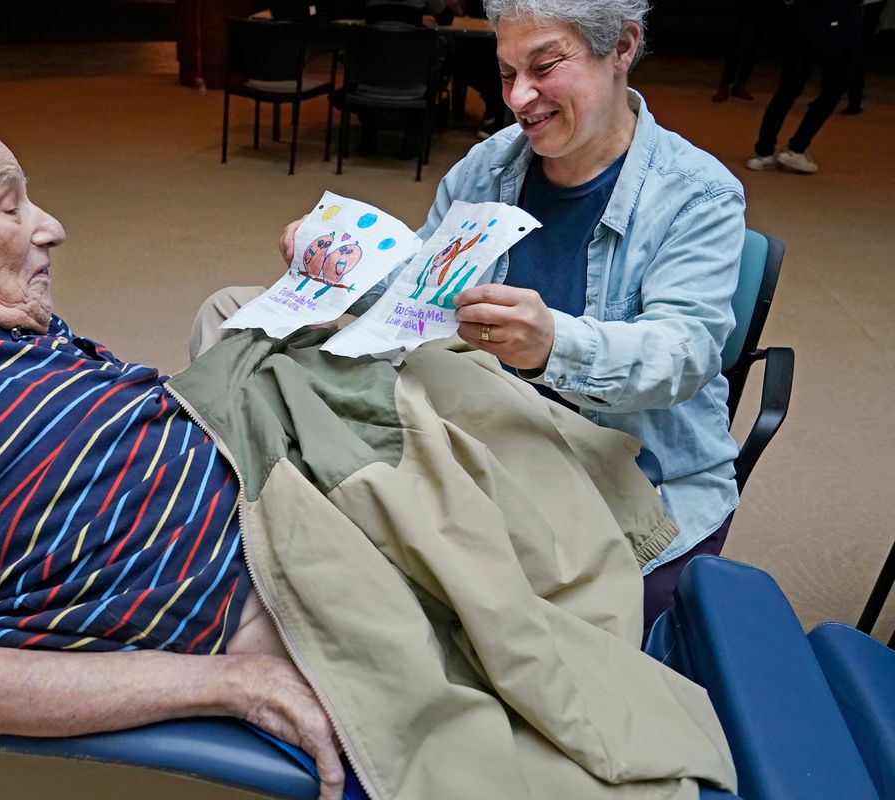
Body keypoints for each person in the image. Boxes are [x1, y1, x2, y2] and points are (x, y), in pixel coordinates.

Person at [0, 107, 737, 800]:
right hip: (269, 575)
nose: (49, 225)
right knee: (577, 733)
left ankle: (570, 541)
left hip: (260, 467)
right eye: (11, 206)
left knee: (371, 333)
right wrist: (229, 681)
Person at [262, 0, 745, 626]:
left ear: (622, 47)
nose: (519, 98)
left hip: (634, 478)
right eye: (505, 72)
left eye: (545, 66)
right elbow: (419, 297)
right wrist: (340, 265)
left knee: (524, 641)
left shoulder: (696, 195)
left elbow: (686, 352)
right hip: (489, 446)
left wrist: (554, 345)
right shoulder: (490, 166)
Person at [745, 0, 862, 173]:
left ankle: (763, 152)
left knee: (787, 90)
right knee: (833, 89)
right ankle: (797, 148)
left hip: (802, 20)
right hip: (839, 22)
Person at [842, 0, 888, 114]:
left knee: (854, 51)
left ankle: (855, 100)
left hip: (865, 6)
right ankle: (852, 99)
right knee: (851, 50)